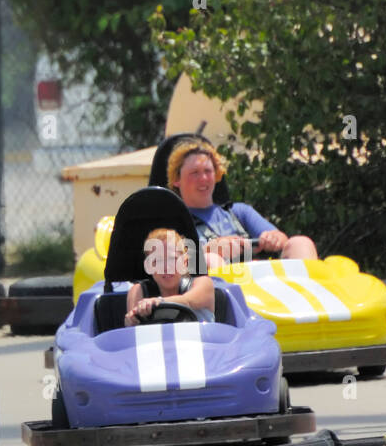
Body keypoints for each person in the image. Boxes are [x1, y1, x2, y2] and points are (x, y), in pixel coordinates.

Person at [167, 138, 317, 272]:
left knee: (301, 243)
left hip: (257, 285)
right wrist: (209, 250)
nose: (203, 178)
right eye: (195, 173)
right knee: (210, 260)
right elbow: (166, 266)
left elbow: (282, 239)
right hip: (215, 294)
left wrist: (273, 238)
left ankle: (309, 299)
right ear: (177, 180)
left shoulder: (239, 212)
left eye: (208, 171)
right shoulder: (172, 221)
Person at [125, 228, 215, 326]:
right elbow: (137, 333)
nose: (166, 267)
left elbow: (187, 301)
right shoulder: (138, 291)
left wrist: (158, 302)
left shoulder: (204, 283)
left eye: (173, 259)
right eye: (158, 261)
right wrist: (131, 321)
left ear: (185, 262)